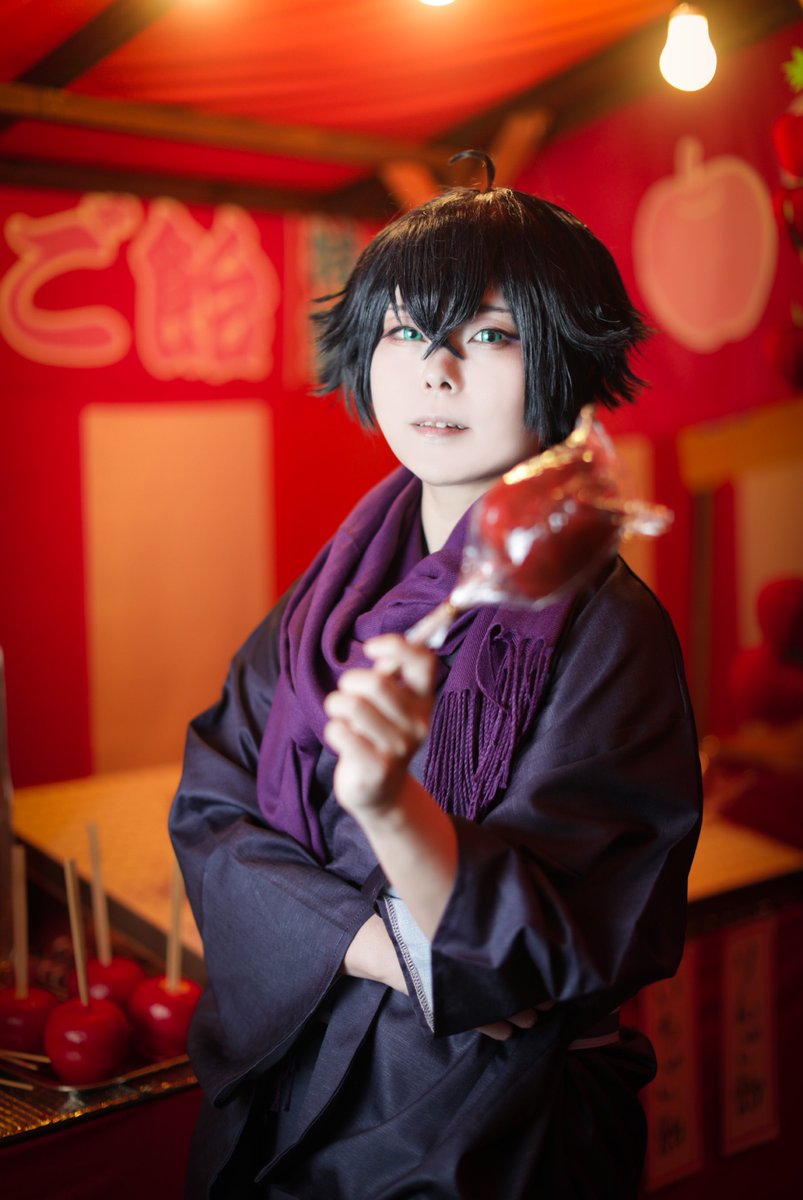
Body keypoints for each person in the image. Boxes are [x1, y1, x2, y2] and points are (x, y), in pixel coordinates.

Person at [169, 153, 702, 1199]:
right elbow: (213, 806)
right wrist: (369, 943)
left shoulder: (609, 630)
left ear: (567, 357)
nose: (434, 369)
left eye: (489, 335)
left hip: (484, 1120)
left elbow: (550, 948)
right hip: (294, 1070)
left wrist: (390, 810)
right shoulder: (332, 588)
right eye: (403, 331)